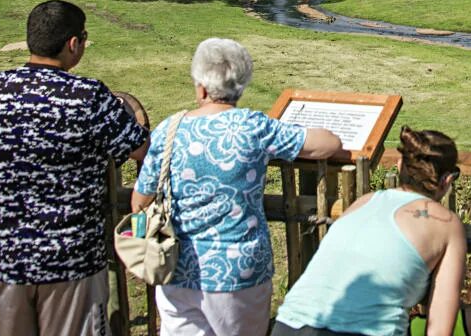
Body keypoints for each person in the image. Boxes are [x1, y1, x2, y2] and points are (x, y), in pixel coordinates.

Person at [132, 38, 342, 336]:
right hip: (239, 271)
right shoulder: (254, 126)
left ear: (201, 87)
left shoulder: (170, 128)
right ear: (240, 86)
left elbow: (141, 199)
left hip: (176, 268)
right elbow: (327, 145)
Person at [0, 0, 149, 336]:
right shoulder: (87, 95)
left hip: (8, 257)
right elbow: (141, 148)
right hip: (70, 258)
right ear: (73, 43)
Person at [272, 127, 471, 336]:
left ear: (400, 166)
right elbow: (439, 328)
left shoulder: (363, 202)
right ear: (447, 180)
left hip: (289, 324)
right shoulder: (447, 224)